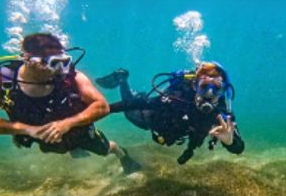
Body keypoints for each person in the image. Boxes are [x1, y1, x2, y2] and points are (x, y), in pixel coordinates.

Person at [0, 33, 141, 174]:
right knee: (52, 148)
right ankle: (71, 149)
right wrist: (23, 129)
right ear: (27, 59)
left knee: (103, 148)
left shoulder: (72, 77)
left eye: (63, 62)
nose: (59, 70)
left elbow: (102, 106)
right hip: (35, 131)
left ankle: (121, 153)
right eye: (52, 63)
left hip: (74, 129)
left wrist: (67, 124)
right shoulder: (0, 80)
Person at [96, 62, 244, 164]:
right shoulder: (178, 96)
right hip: (149, 120)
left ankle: (132, 88)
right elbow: (138, 104)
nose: (209, 93)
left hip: (173, 133)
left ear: (223, 91)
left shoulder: (221, 113)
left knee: (137, 101)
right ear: (195, 85)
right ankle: (122, 80)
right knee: (130, 113)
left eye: (216, 88)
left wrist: (230, 142)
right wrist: (106, 109)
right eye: (204, 86)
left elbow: (239, 147)